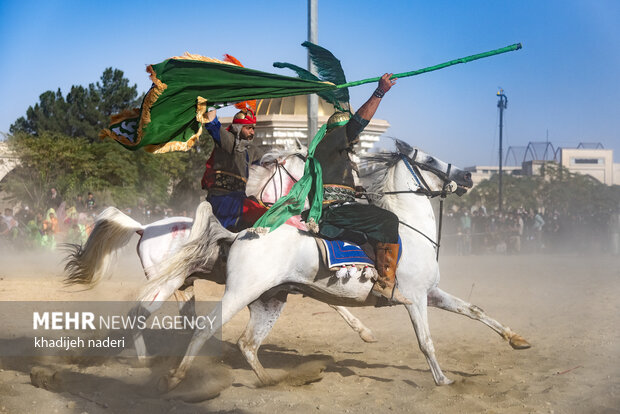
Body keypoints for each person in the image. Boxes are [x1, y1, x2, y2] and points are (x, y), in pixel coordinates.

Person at [312, 73, 410, 304]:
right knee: (388, 220)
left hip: (341, 205)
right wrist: (379, 92)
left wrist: (356, 192)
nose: (355, 138)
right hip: (334, 212)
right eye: (352, 134)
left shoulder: (336, 151)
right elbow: (357, 123)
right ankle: (384, 284)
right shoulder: (333, 138)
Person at [200, 108, 268, 231]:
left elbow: (266, 159)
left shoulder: (251, 149)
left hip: (239, 198)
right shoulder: (227, 140)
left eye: (253, 128)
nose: (252, 132)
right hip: (222, 199)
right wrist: (211, 108)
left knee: (266, 214)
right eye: (248, 128)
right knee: (262, 215)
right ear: (238, 127)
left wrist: (279, 160)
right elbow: (213, 125)